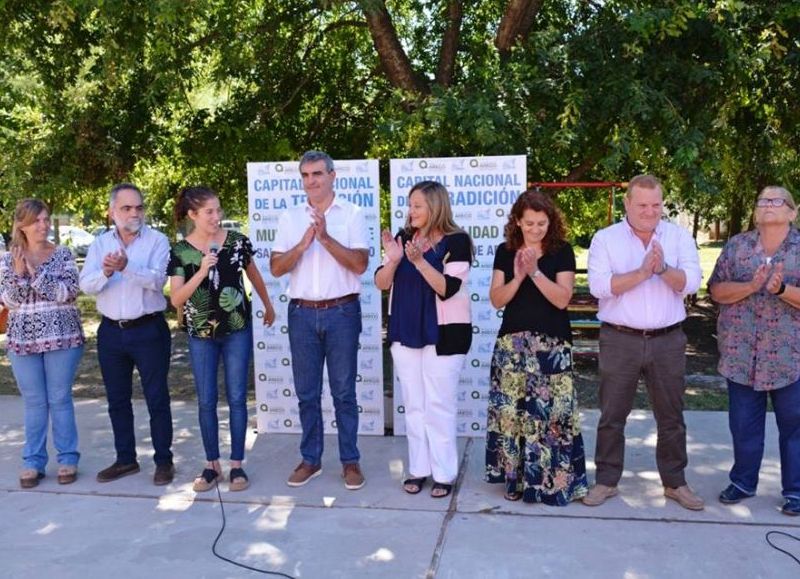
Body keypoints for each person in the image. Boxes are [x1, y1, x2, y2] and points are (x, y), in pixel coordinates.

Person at [584, 174, 704, 510]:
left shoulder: (678, 237)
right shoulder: (606, 239)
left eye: (656, 204)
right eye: (642, 205)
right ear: (627, 204)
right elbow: (599, 286)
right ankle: (606, 481)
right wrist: (641, 273)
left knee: (671, 416)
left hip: (668, 340)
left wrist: (663, 268)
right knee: (612, 415)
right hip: (620, 339)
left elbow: (691, 282)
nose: (650, 211)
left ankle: (675, 482)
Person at [271, 150, 369, 490]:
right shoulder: (289, 217)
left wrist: (325, 238)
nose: (311, 181)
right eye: (305, 175)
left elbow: (359, 264)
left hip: (342, 312)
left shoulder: (353, 214)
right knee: (306, 393)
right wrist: (302, 245)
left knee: (344, 392)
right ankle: (310, 460)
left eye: (317, 174)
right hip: (301, 314)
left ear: (332, 176)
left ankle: (350, 461)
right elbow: (276, 267)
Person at [484, 190, 588, 505]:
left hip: (552, 346)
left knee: (553, 418)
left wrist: (535, 272)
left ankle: (552, 483)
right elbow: (496, 299)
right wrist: (517, 277)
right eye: (529, 223)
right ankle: (516, 481)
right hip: (512, 346)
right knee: (513, 415)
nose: (535, 229)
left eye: (541, 223)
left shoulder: (562, 251)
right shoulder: (505, 252)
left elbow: (562, 298)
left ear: (550, 221)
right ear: (518, 221)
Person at [170, 186, 275, 492]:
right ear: (192, 215)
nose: (217, 217)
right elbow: (177, 298)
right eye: (209, 212)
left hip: (237, 330)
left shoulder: (237, 242)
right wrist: (201, 272)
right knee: (206, 400)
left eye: (218, 210)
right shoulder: (181, 251)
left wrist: (267, 304)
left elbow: (254, 276)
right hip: (200, 335)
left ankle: (237, 466)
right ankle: (211, 465)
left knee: (238, 397)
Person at [375, 181, 472, 498]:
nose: (410, 211)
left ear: (435, 207)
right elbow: (380, 283)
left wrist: (417, 261)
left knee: (438, 405)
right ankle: (418, 469)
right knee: (414, 407)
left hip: (444, 334)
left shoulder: (458, 241)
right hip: (405, 332)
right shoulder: (404, 238)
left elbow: (449, 288)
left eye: (417, 205)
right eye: (410, 205)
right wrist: (392, 260)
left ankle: (444, 474)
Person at [708, 186, 800, 516]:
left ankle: (796, 491)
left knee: (795, 427)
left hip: (791, 357)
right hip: (741, 354)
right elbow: (716, 290)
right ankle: (743, 482)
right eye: (762, 200)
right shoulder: (737, 246)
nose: (768, 205)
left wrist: (781, 289)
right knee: (744, 425)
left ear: (792, 211)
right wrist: (750, 286)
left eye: (777, 201)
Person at [80, 183, 175, 485]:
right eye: (126, 208)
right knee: (117, 400)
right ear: (112, 212)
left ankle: (163, 461)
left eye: (139, 207)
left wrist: (126, 266)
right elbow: (86, 285)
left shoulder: (158, 241)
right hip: (110, 332)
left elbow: (158, 281)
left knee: (156, 397)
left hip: (148, 329)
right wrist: (107, 272)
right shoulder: (99, 244)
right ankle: (125, 460)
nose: (134, 213)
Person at [0, 199, 84, 488]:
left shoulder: (62, 254)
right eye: (36, 220)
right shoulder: (5, 259)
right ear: (21, 225)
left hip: (62, 336)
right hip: (22, 340)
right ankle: (32, 462)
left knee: (59, 398)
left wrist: (35, 274)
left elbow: (69, 292)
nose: (43, 225)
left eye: (46, 219)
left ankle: (67, 459)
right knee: (34, 401)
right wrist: (20, 274)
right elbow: (8, 301)